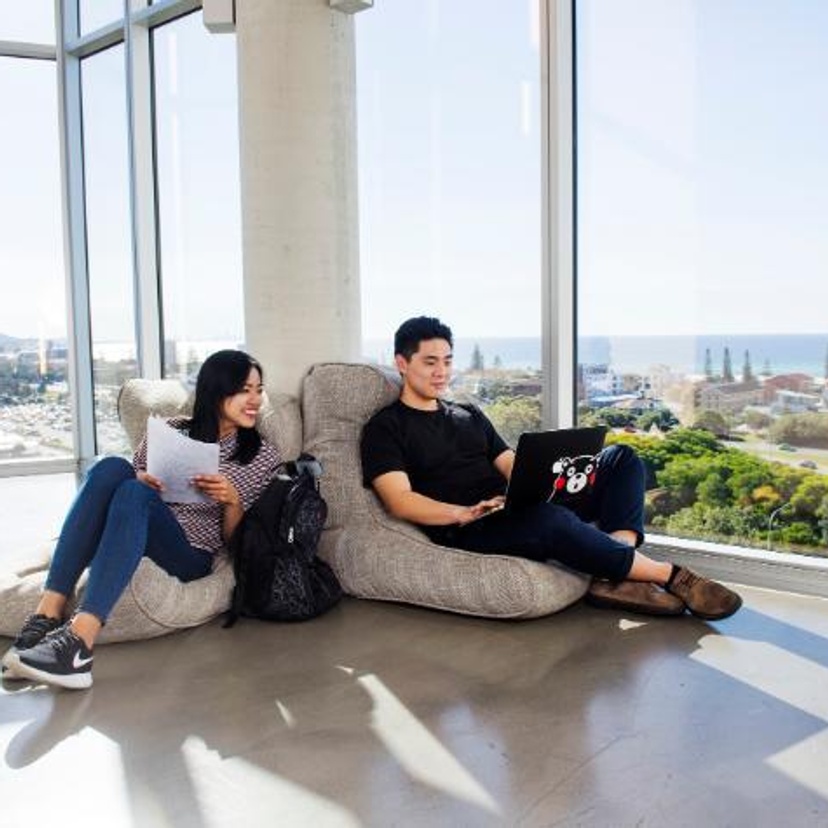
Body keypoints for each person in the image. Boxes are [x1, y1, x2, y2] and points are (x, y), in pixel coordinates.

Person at [360, 316, 742, 621]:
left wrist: (538, 482)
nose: (441, 372)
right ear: (402, 363)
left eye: (447, 361)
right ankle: (671, 576)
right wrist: (462, 513)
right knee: (548, 519)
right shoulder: (386, 427)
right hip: (471, 526)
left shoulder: (467, 414)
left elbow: (509, 462)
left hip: (514, 505)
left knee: (621, 458)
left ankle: (615, 571)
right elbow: (400, 500)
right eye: (430, 362)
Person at [1, 350, 282, 689]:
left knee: (135, 494)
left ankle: (79, 644)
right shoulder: (171, 430)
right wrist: (141, 479)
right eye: (245, 390)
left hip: (190, 554)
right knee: (112, 468)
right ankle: (45, 617)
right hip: (137, 531)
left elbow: (238, 544)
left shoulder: (260, 455)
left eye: (258, 389)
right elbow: (122, 489)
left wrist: (233, 501)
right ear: (217, 390)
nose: (255, 399)